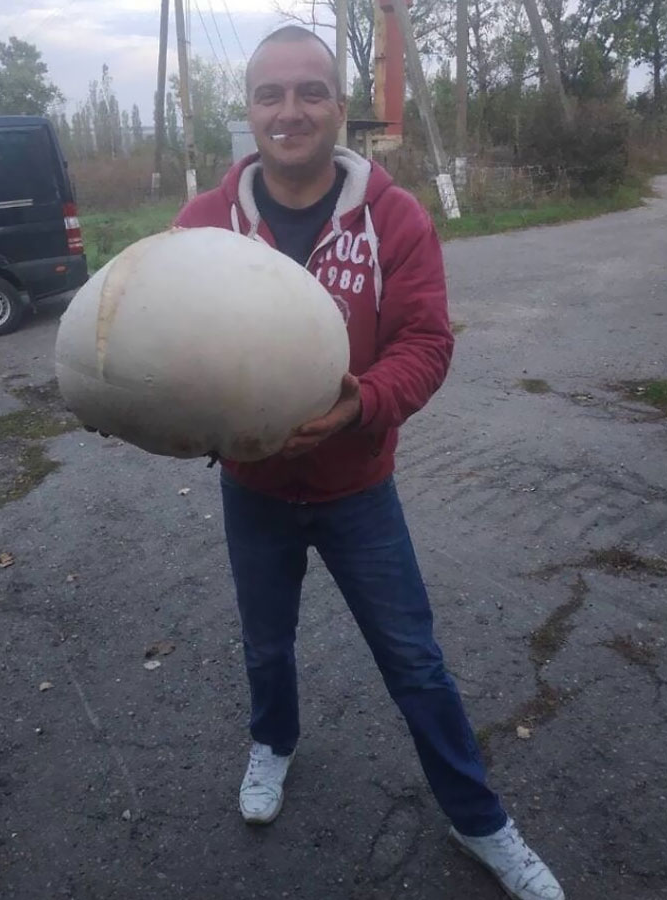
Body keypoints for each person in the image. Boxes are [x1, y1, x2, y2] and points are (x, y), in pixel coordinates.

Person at [175, 25, 564, 900]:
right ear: (250, 110)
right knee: (266, 645)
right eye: (271, 94)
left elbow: (425, 344)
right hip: (255, 492)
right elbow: (170, 348)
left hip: (358, 489)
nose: (290, 110)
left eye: (310, 92)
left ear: (339, 109)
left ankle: (481, 823)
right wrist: (134, 401)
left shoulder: (394, 216)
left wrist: (359, 405)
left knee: (415, 661)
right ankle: (273, 744)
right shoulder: (203, 224)